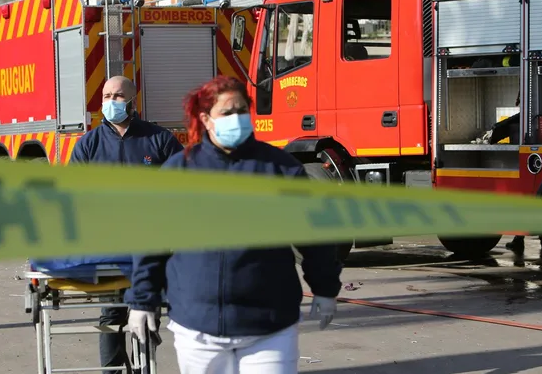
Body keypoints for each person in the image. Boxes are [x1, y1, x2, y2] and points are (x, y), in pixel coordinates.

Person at [125, 75, 342, 374]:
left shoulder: (280, 168)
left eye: (242, 111)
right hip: (197, 326)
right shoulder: (179, 171)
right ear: (206, 119)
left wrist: (325, 288)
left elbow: (314, 236)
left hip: (269, 325)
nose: (236, 119)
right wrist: (141, 299)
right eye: (227, 113)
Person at [70, 75, 184, 372]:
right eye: (106, 96)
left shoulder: (159, 140)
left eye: (118, 96)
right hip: (109, 246)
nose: (111, 102)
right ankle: (113, 370)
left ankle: (143, 368)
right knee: (112, 314)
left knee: (147, 312)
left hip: (153, 244)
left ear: (134, 100)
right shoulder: (89, 145)